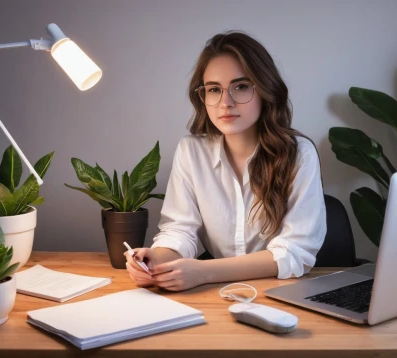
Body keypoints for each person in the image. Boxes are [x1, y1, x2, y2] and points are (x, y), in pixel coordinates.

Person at [125, 31, 326, 291]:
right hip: (218, 298)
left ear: (265, 89)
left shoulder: (299, 154)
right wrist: (155, 259)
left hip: (283, 294)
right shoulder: (191, 152)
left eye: (240, 87)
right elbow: (180, 230)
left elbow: (295, 253)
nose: (225, 102)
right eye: (214, 90)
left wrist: (204, 272)